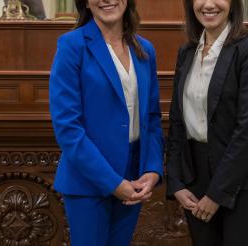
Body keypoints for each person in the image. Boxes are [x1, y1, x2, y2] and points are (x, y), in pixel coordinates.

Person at [49, 0, 164, 245]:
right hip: (88, 181)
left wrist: (152, 169)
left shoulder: (145, 50)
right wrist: (112, 182)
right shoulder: (72, 46)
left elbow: (152, 117)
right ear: (86, 3)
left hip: (134, 178)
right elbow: (68, 128)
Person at [166, 0, 248, 245]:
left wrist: (217, 193)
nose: (208, 4)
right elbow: (177, 121)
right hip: (194, 178)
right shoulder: (187, 52)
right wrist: (176, 182)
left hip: (240, 180)